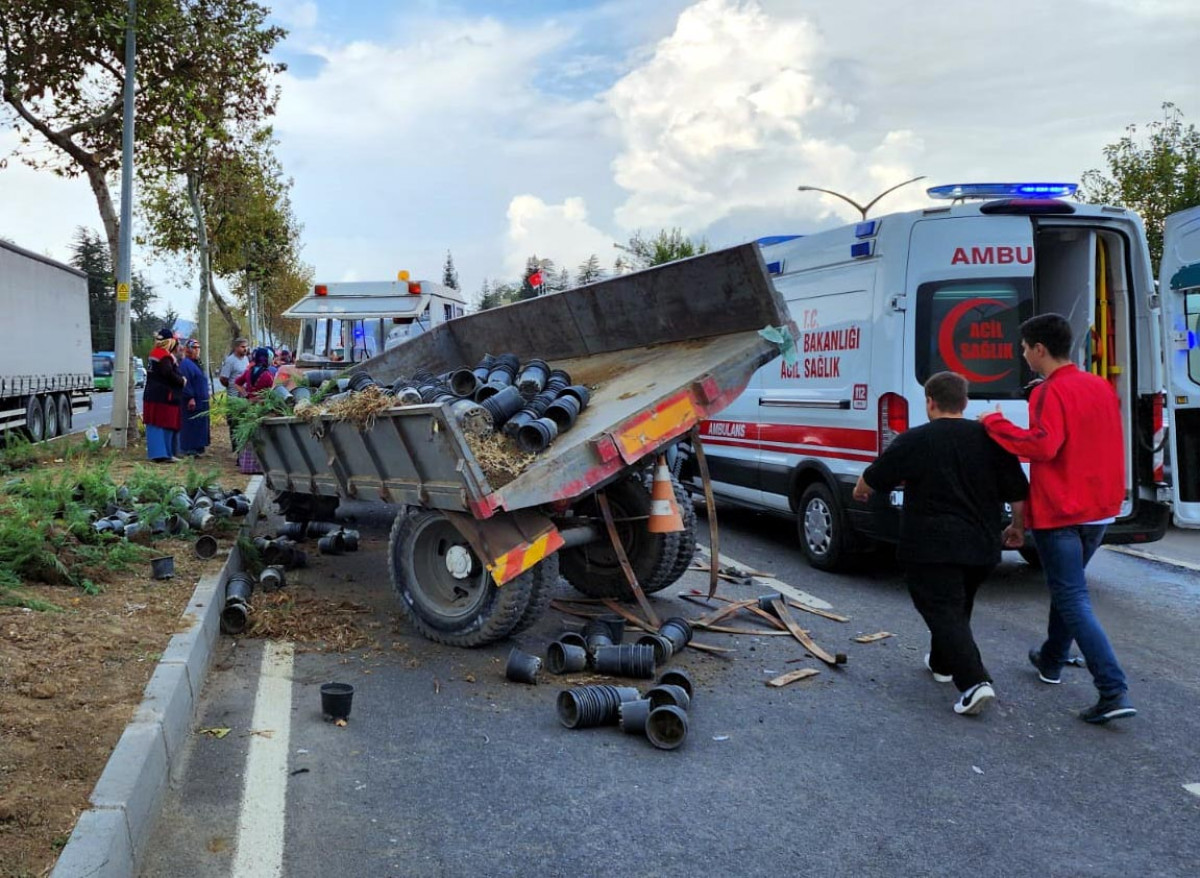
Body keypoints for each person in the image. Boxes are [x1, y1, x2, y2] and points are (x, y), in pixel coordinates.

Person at [980, 313, 1136, 724]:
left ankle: (1112, 688)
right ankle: (1051, 659)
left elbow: (1043, 446)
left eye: (1024, 348)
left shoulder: (1048, 393)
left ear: (1039, 349)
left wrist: (992, 423)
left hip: (1062, 511)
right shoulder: (1099, 385)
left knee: (1071, 596)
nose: (1023, 354)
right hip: (1100, 509)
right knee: (1068, 588)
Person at [854, 371, 1028, 717]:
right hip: (981, 543)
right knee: (955, 606)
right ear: (964, 403)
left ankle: (975, 682)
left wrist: (860, 490)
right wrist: (1017, 527)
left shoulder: (916, 439)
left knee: (941, 607)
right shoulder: (992, 439)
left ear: (930, 402)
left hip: (931, 545)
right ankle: (941, 662)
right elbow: (1019, 491)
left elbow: (874, 478)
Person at [142, 328, 186, 463]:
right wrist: (182, 380)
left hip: (151, 395)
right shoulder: (164, 356)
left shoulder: (153, 354)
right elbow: (168, 374)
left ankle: (157, 453)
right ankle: (165, 454)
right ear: (170, 341)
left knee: (154, 424)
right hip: (163, 396)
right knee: (165, 423)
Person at [179, 338, 211, 457]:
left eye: (198, 348)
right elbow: (185, 382)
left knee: (200, 424)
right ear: (188, 349)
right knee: (192, 424)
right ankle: (190, 449)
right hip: (193, 400)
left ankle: (199, 447)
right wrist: (190, 397)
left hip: (201, 399)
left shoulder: (197, 363)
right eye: (194, 347)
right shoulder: (185, 364)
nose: (197, 350)